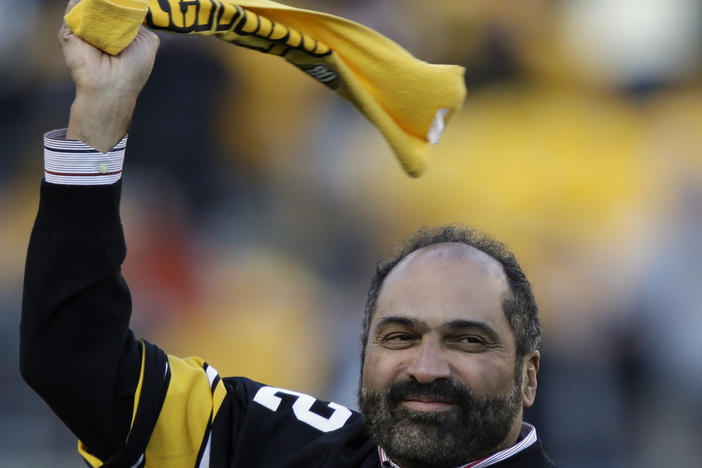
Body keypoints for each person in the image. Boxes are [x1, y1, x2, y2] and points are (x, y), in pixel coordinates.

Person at [20, 2, 557, 467]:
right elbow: (77, 363)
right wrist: (100, 108)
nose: (426, 367)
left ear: (528, 375)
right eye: (399, 337)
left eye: (467, 340)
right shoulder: (289, 446)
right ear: (363, 351)